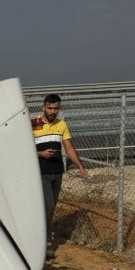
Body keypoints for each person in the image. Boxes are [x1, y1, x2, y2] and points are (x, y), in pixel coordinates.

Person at [33, 94, 87, 258]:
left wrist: (80, 166)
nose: (53, 111)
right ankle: (46, 241)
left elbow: (68, 147)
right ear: (43, 107)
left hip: (57, 172)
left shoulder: (61, 124)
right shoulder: (33, 124)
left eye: (56, 108)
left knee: (50, 207)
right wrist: (41, 153)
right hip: (40, 172)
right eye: (50, 108)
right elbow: (24, 148)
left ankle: (42, 235)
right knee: (48, 207)